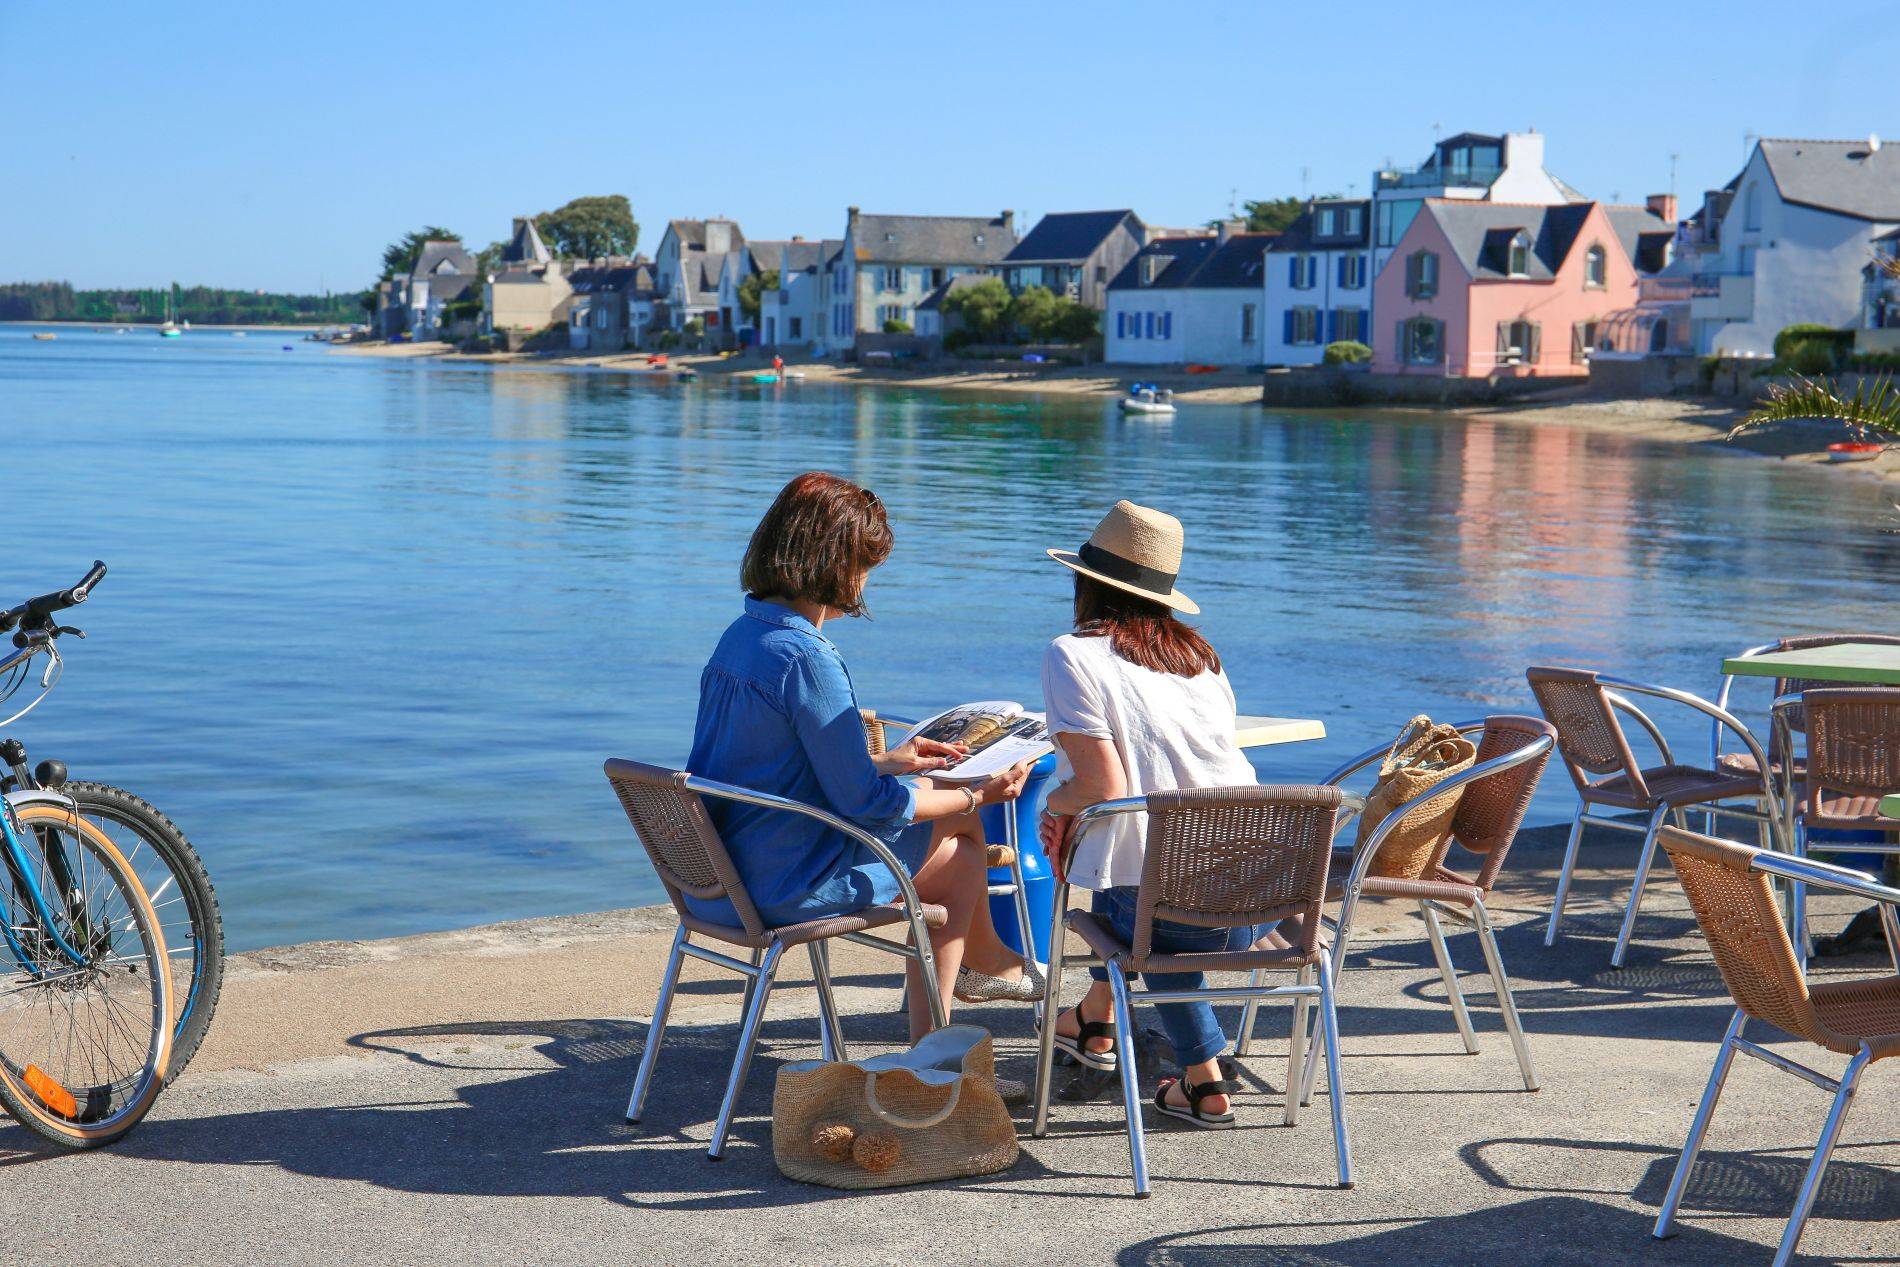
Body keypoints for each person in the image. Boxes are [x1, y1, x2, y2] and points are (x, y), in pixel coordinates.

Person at [687, 471, 1040, 1041]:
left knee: (958, 833)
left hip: (718, 877)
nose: (867, 581)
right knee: (965, 848)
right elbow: (865, 804)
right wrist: (979, 790)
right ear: (835, 563)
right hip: (782, 886)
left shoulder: (741, 636)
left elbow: (760, 765)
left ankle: (970, 992)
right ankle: (944, 1038)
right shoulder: (808, 657)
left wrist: (886, 759)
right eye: (866, 565)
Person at [1036, 500, 1264, 1128]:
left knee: (1139, 920)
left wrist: (1052, 805)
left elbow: (1102, 784)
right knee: (1131, 897)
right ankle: (1092, 1022)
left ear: (1087, 582)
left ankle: (1203, 1082)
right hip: (1255, 891)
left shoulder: (1072, 655)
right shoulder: (1200, 657)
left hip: (1170, 910)